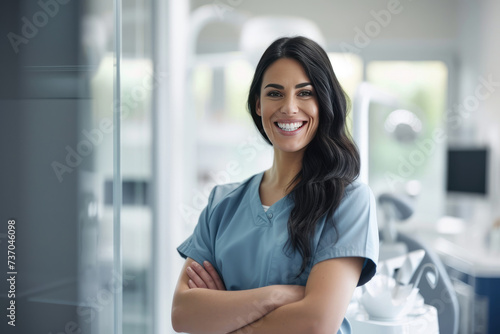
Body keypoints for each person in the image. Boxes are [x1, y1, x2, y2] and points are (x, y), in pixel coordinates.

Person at [171, 36, 378, 334]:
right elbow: (183, 314)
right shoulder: (222, 203)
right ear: (258, 105)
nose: (289, 107)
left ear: (323, 101)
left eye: (305, 93)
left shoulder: (349, 201)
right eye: (275, 93)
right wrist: (277, 296)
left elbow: (316, 323)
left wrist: (224, 316)